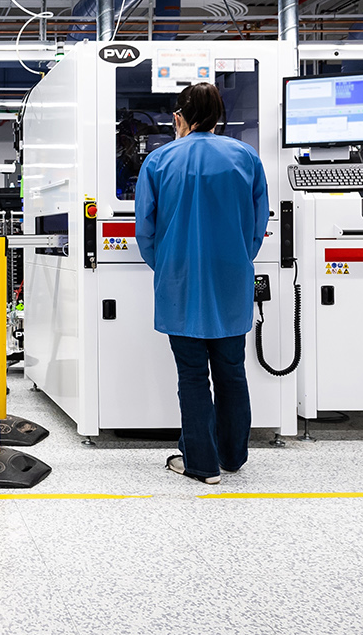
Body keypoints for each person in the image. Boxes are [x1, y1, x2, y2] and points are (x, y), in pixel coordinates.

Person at [134, 82, 269, 486]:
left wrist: (169, 266)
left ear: (179, 117)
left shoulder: (159, 161)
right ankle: (232, 457)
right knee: (232, 372)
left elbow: (146, 229)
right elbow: (258, 226)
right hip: (231, 280)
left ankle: (201, 464)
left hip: (180, 282)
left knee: (192, 376)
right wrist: (239, 261)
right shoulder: (246, 157)